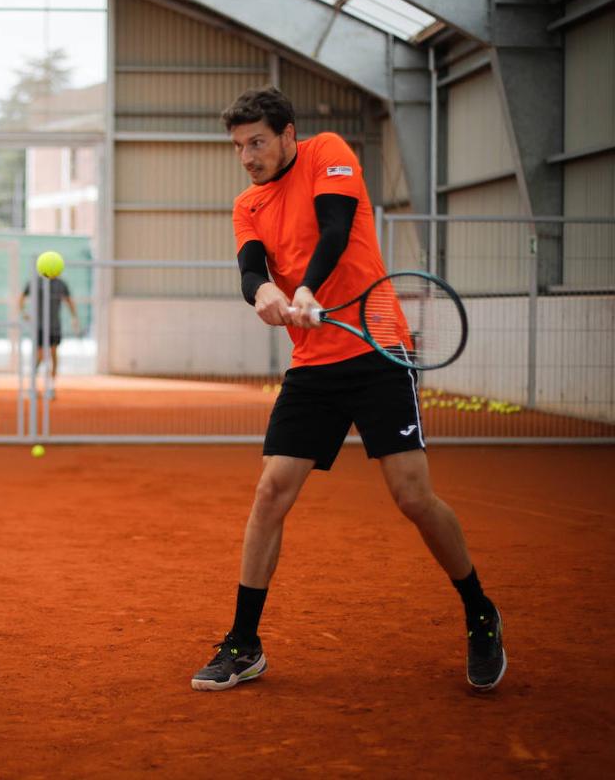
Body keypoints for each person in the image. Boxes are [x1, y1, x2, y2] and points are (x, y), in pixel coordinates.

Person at [191, 86, 506, 693]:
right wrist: (264, 295)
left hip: (377, 348)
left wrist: (306, 288)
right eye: (238, 146)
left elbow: (335, 229)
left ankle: (479, 611)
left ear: (288, 134)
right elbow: (251, 271)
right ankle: (245, 642)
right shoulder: (247, 205)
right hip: (313, 365)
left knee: (413, 498)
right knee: (270, 494)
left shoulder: (327, 152)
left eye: (257, 142)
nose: (248, 156)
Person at [19, 274, 80, 397]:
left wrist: (74, 317)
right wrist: (24, 313)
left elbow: (69, 301)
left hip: (54, 326)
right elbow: (22, 298)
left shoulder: (61, 283)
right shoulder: (35, 282)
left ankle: (51, 387)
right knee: (40, 355)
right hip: (39, 326)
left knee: (53, 353)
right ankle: (33, 386)